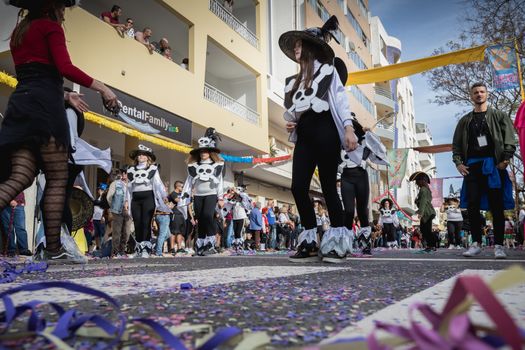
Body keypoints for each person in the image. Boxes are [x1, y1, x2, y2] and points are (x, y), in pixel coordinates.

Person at [0, 0, 117, 262]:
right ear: (51, 6)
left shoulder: (20, 31)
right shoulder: (50, 27)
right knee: (57, 176)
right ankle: (53, 248)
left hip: (21, 105)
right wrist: (104, 89)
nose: (64, 12)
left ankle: (53, 248)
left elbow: (32, 76)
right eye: (63, 6)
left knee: (20, 177)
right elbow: (64, 68)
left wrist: (64, 96)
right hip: (44, 110)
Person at [279, 16, 358, 263]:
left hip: (326, 131)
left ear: (311, 47)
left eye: (300, 45)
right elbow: (296, 111)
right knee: (298, 187)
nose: (296, 49)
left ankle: (335, 242)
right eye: (295, 47)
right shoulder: (292, 83)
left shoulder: (329, 71)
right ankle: (311, 241)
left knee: (327, 187)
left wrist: (348, 129)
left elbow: (341, 101)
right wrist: (292, 121)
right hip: (304, 134)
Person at [453, 82, 516, 259]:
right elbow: (456, 145)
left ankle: (499, 245)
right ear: (471, 96)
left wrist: (505, 159)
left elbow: (509, 139)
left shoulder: (499, 115)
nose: (479, 95)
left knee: (497, 206)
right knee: (472, 206)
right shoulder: (465, 120)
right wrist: (458, 163)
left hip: (493, 166)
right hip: (472, 166)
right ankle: (476, 243)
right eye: (475, 92)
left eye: (482, 92)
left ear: (487, 94)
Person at [339, 124, 388, 255]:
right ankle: (346, 244)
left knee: (362, 211)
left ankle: (366, 244)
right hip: (346, 177)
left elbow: (381, 150)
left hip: (361, 176)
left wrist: (371, 133)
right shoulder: (339, 139)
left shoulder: (365, 142)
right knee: (348, 211)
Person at [179, 128, 225, 256]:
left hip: (211, 194)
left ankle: (211, 244)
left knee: (207, 216)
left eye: (206, 151)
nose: (203, 153)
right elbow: (189, 182)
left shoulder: (217, 165)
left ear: (210, 152)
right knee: (200, 219)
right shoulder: (194, 166)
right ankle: (202, 244)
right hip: (198, 196)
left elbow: (219, 181)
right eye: (201, 152)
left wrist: (220, 197)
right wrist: (185, 196)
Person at [127, 145, 171, 258]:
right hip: (135, 199)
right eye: (139, 154)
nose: (141, 156)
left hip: (148, 197)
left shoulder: (153, 169)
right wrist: (127, 201)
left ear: (148, 157)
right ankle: (138, 248)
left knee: (146, 223)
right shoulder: (131, 170)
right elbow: (129, 188)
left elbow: (158, 183)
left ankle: (146, 248)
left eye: (143, 154)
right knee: (137, 223)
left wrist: (163, 195)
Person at [106, 168, 130, 257]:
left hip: (129, 212)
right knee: (117, 232)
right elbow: (109, 197)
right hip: (118, 210)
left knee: (127, 232)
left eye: (126, 173)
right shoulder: (115, 183)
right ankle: (115, 251)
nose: (124, 175)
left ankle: (122, 250)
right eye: (123, 173)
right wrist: (113, 207)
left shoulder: (131, 185)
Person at [410, 171, 435, 253]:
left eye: (417, 181)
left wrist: (420, 213)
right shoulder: (426, 189)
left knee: (426, 230)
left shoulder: (423, 189)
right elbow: (425, 202)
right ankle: (431, 246)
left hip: (426, 213)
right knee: (425, 230)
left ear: (422, 181)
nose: (416, 183)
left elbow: (424, 202)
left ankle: (431, 246)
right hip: (428, 212)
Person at [168, 181, 187, 254]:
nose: (183, 188)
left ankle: (179, 248)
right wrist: (185, 196)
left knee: (180, 232)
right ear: (177, 186)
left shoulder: (182, 194)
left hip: (182, 215)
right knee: (173, 232)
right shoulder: (173, 193)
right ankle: (172, 248)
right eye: (182, 187)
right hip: (175, 214)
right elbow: (177, 201)